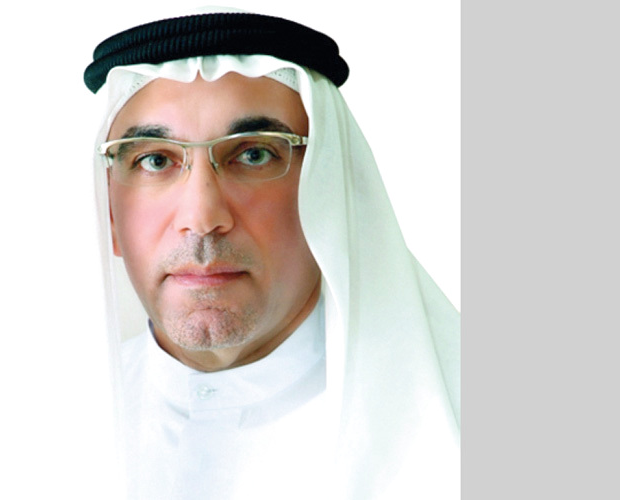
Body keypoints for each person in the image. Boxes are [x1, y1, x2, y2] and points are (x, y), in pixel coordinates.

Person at [84, 9, 460, 499]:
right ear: (109, 215)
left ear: (329, 193)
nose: (202, 217)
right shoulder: (36, 433)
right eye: (154, 159)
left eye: (254, 154)